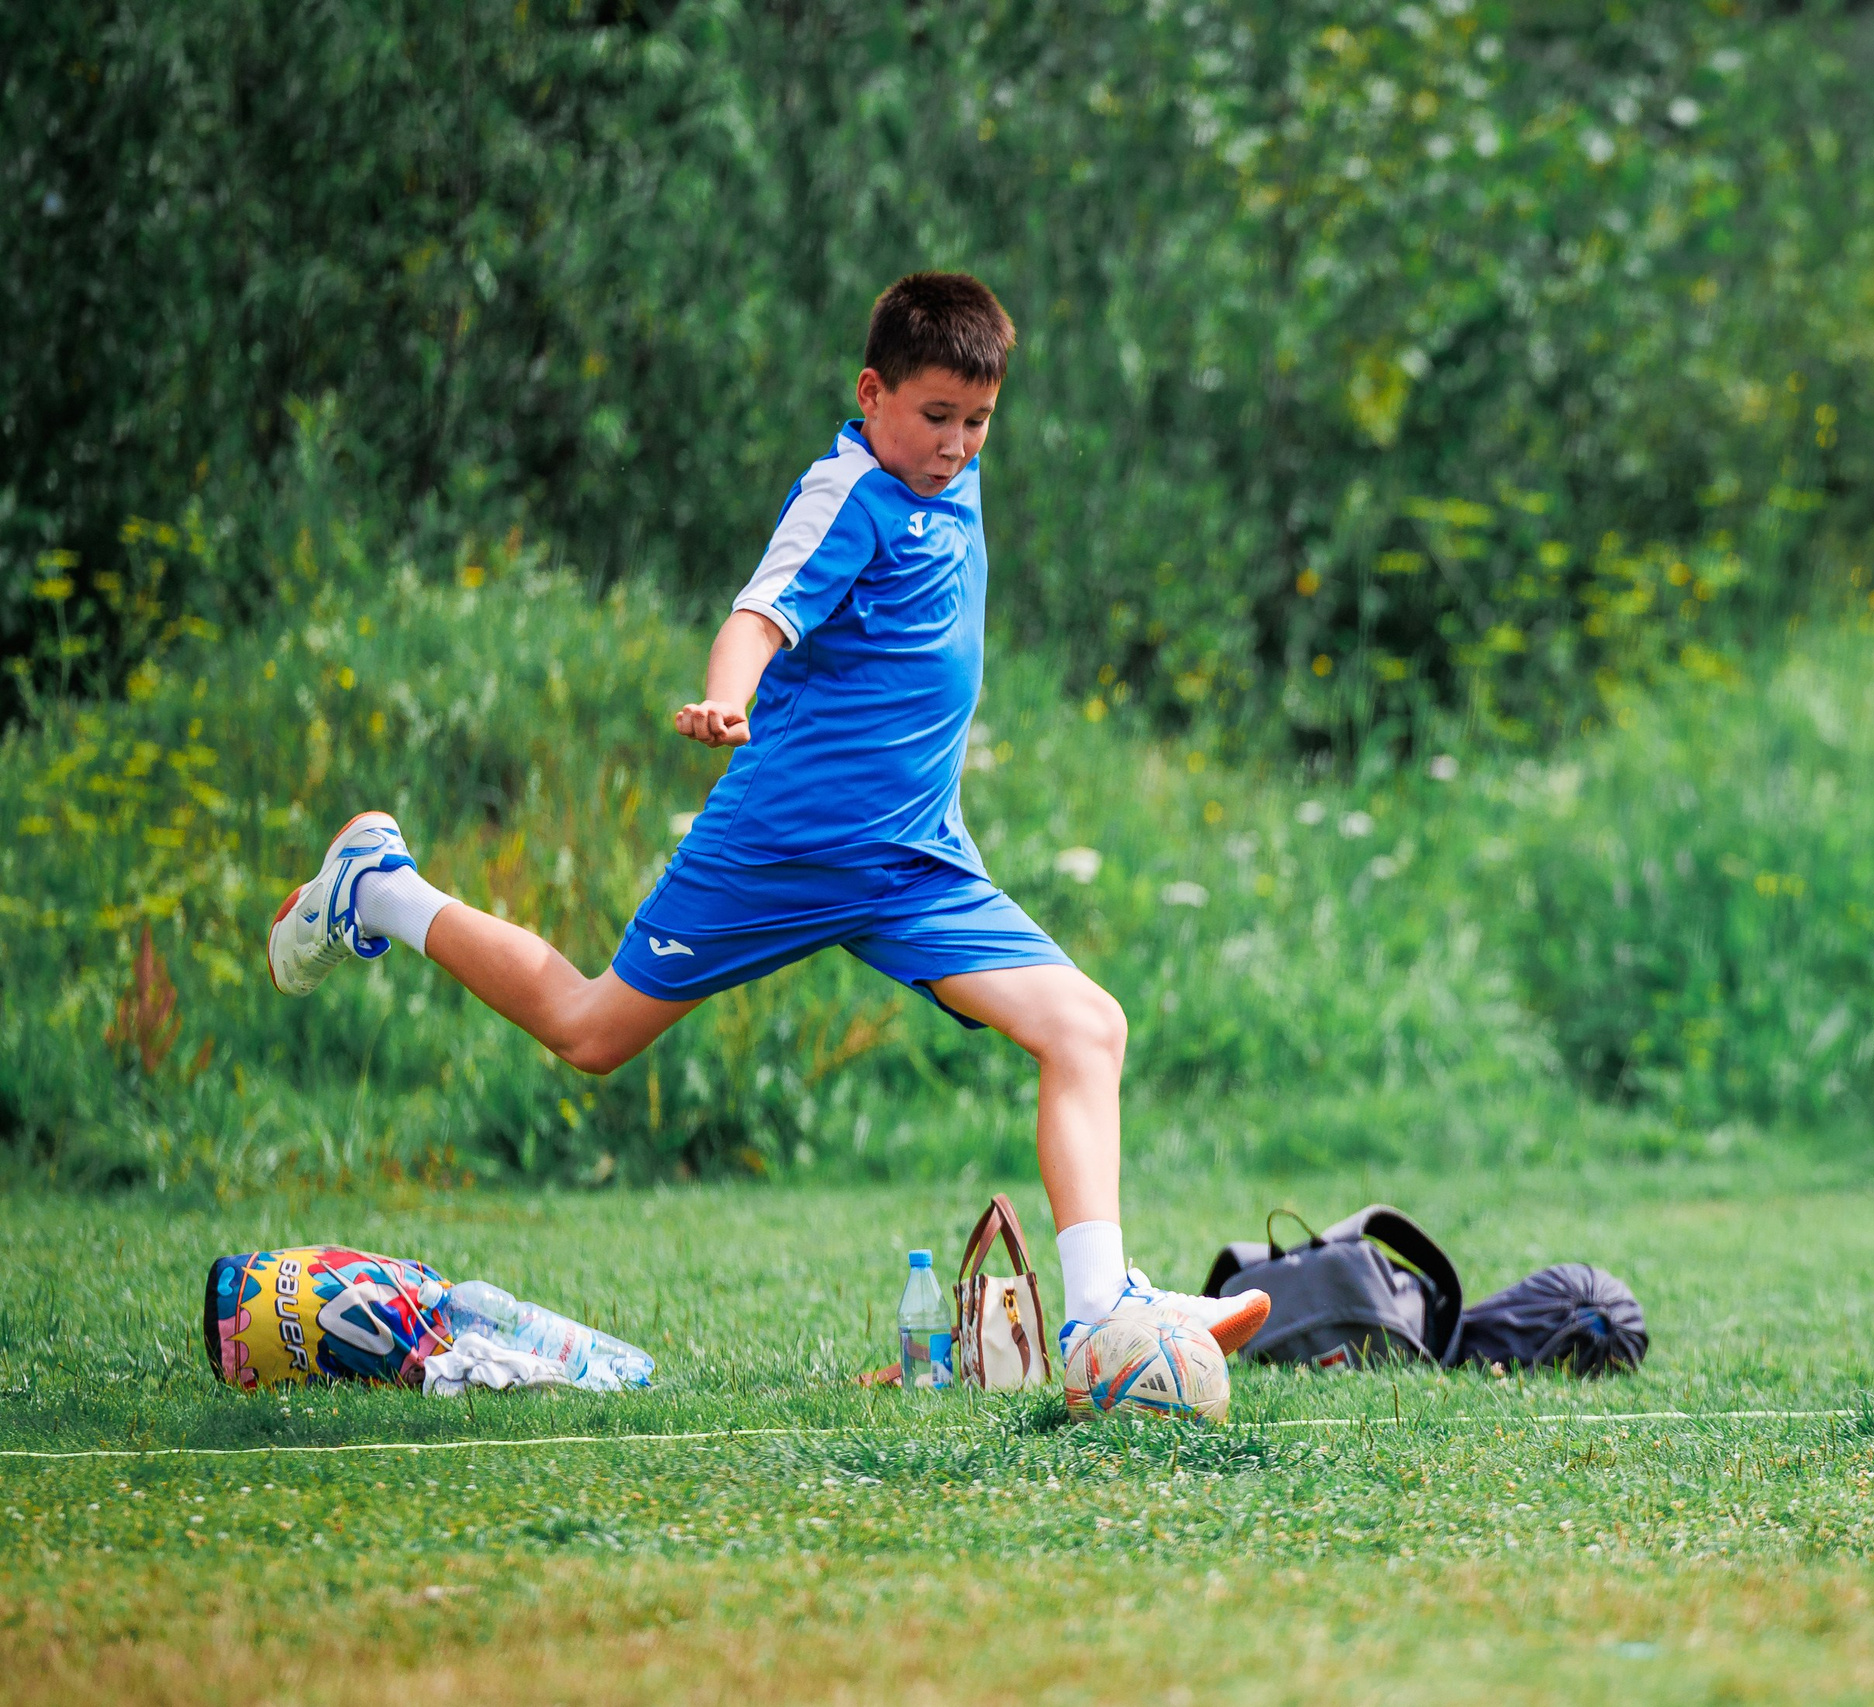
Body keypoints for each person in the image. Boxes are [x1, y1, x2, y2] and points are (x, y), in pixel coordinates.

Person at [262, 271, 1266, 1367]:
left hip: (914, 864)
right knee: (592, 1033)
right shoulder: (844, 493)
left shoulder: (950, 477)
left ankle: (1099, 1316)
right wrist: (729, 692)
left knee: (1088, 1027)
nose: (957, 445)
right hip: (778, 853)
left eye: (977, 421)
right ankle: (381, 889)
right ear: (871, 393)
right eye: (935, 417)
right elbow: (759, 610)